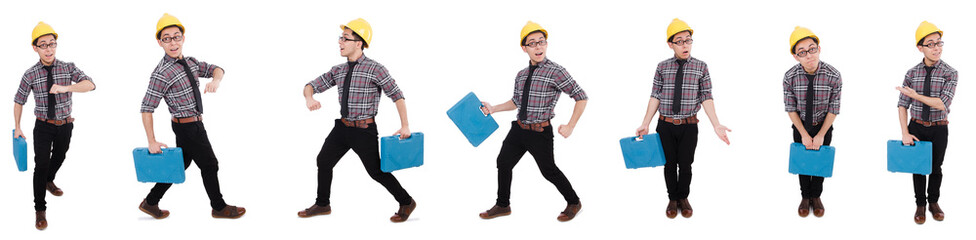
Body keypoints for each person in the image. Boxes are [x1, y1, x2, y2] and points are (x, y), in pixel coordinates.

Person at [298, 18, 417, 223]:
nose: (340, 42)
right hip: (342, 128)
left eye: (345, 38)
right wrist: (309, 97)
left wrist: (405, 125)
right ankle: (323, 204)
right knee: (323, 160)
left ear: (359, 43)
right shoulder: (338, 70)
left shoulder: (376, 69)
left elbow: (397, 95)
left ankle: (406, 201)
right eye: (340, 38)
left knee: (376, 172)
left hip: (364, 130)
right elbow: (310, 85)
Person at [138, 13, 246, 220]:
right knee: (210, 164)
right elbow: (146, 108)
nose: (173, 42)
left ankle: (150, 202)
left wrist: (215, 81)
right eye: (167, 38)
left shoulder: (191, 62)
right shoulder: (161, 73)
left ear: (183, 38)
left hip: (192, 125)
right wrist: (151, 140)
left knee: (180, 164)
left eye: (176, 36)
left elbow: (217, 69)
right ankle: (219, 207)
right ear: (159, 42)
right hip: (187, 127)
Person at [478, 21, 588, 222]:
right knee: (503, 162)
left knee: (548, 171)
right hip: (518, 130)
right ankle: (503, 205)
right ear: (524, 48)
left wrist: (571, 125)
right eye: (532, 43)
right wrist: (494, 108)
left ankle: (574, 202)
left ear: (546, 45)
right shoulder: (520, 75)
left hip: (540, 132)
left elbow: (581, 96)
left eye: (541, 42)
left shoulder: (556, 71)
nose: (538, 47)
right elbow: (515, 102)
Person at [634, 18, 731, 219]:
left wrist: (716, 125)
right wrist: (646, 123)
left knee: (686, 164)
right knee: (669, 164)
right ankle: (672, 199)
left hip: (689, 125)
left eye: (688, 40)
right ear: (670, 44)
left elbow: (706, 97)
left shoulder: (701, 67)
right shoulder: (662, 67)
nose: (685, 45)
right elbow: (655, 96)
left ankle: (683, 198)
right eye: (679, 41)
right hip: (665, 125)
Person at [14, 21, 96, 230]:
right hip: (42, 126)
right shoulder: (30, 74)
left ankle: (49, 180)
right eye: (44, 45)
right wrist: (17, 126)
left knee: (59, 157)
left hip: (65, 125)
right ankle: (40, 209)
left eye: (52, 44)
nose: (49, 49)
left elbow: (90, 84)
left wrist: (65, 88)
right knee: (40, 165)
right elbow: (19, 100)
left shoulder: (68, 67)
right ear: (35, 48)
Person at [895, 21, 956, 224]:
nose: (936, 48)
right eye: (930, 44)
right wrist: (904, 132)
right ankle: (920, 204)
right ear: (920, 47)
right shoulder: (911, 74)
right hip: (917, 126)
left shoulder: (950, 73)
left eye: (939, 43)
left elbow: (942, 104)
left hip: (939, 128)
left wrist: (916, 96)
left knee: (936, 167)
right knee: (918, 167)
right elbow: (902, 104)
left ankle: (934, 202)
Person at [783, 26, 842, 218]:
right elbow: (791, 108)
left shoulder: (833, 75)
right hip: (800, 127)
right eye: (802, 52)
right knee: (802, 163)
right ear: (795, 56)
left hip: (823, 126)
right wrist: (804, 135)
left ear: (819, 48)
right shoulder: (790, 77)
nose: (809, 55)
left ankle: (816, 197)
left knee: (819, 163)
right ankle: (804, 197)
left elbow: (834, 108)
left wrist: (820, 135)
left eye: (812, 49)